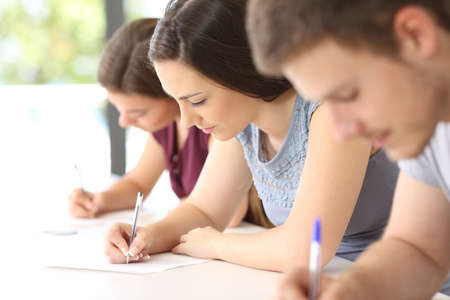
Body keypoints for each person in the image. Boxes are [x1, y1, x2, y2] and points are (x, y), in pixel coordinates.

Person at [103, 0, 399, 272]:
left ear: (240, 71)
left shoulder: (329, 108)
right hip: (331, 283)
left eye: (196, 101)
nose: (187, 120)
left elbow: (305, 249)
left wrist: (217, 245)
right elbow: (204, 211)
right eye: (177, 101)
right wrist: (145, 236)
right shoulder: (242, 121)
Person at [246, 0, 450, 298]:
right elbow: (418, 249)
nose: (341, 131)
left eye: (348, 95)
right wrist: (351, 291)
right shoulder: (428, 120)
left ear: (415, 35)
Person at [68, 18, 249, 227]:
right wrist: (99, 201)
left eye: (138, 112)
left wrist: (177, 217)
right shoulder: (166, 127)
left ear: (172, 92)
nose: (124, 121)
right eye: (119, 110)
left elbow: (231, 213)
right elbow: (138, 183)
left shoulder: (215, 126)